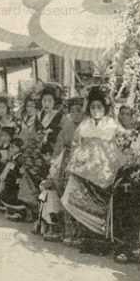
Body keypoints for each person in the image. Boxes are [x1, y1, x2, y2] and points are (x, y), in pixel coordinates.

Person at [61, 87, 123, 245]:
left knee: (103, 197)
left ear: (105, 109)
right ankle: (82, 232)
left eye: (99, 107)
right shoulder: (84, 124)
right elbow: (76, 144)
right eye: (93, 107)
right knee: (71, 195)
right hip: (85, 168)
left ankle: (101, 232)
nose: (96, 110)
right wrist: (79, 157)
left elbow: (120, 145)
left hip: (106, 168)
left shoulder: (112, 124)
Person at [38, 97, 84, 242]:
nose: (75, 114)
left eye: (79, 111)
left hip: (83, 164)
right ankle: (65, 230)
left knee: (76, 196)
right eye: (72, 111)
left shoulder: (87, 126)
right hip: (66, 163)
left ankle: (79, 232)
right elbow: (58, 147)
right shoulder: (67, 127)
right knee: (63, 194)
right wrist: (54, 163)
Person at [0, 138, 28, 220]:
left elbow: (21, 170)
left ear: (19, 148)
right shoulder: (14, 157)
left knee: (12, 196)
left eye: (13, 147)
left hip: (15, 180)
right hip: (10, 179)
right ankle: (12, 211)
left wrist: (19, 178)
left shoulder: (20, 158)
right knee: (7, 195)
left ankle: (19, 213)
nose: (11, 149)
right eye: (11, 147)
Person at [36, 87, 63, 151]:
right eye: (44, 100)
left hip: (53, 147)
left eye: (50, 101)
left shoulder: (58, 115)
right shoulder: (38, 115)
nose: (46, 103)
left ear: (54, 102)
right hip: (38, 146)